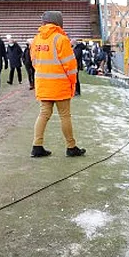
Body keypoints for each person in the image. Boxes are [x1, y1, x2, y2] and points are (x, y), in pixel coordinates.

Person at [30, 11, 86, 158]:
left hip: (43, 84)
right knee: (65, 116)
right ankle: (71, 146)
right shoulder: (61, 39)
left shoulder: (37, 40)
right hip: (60, 85)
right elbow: (71, 66)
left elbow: (34, 62)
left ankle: (37, 145)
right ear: (58, 22)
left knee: (43, 114)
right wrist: (73, 83)